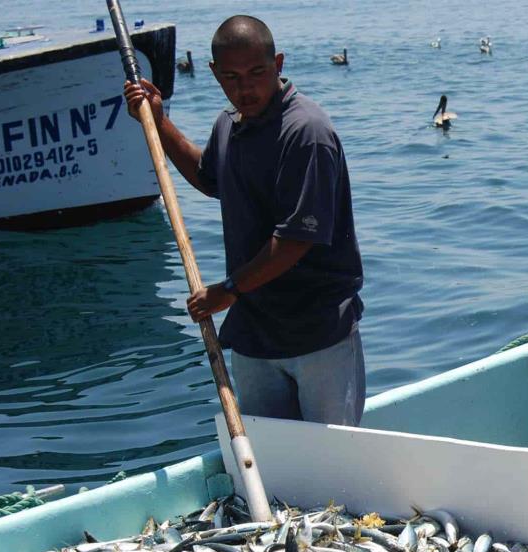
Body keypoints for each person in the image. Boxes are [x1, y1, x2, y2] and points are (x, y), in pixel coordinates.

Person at [125, 15, 366, 426]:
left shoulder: (306, 132)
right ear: (215, 74)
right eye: (232, 77)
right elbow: (208, 177)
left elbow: (294, 239)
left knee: (332, 466)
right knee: (272, 462)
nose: (245, 88)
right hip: (256, 334)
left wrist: (228, 291)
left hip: (317, 334)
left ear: (279, 64)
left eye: (256, 73)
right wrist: (160, 122)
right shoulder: (230, 124)